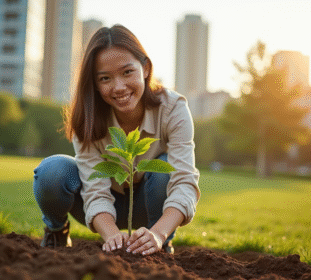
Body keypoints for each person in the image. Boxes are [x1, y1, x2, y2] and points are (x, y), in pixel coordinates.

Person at [33, 24, 200, 256]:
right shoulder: (88, 117)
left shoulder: (173, 108)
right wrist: (111, 235)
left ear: (146, 68)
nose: (119, 87)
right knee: (52, 171)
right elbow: (95, 191)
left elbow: (185, 181)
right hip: (101, 207)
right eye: (105, 78)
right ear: (94, 83)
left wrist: (159, 234)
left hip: (151, 205)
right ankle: (56, 232)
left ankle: (160, 244)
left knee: (165, 168)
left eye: (127, 72)